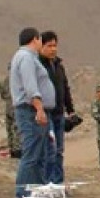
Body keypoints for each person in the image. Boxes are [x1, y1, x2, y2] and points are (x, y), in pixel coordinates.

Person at [10, 27, 56, 198]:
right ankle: (22, 194)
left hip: (33, 111)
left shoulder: (28, 58)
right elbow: (30, 86)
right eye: (40, 40)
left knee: (39, 154)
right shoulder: (26, 58)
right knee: (31, 153)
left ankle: (35, 193)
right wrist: (39, 108)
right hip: (30, 111)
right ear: (35, 40)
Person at [39, 31, 75, 184]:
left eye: (55, 45)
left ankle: (58, 183)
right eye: (49, 46)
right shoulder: (39, 66)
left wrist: (70, 108)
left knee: (59, 151)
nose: (53, 49)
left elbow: (65, 88)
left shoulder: (59, 66)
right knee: (50, 150)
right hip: (46, 113)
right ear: (41, 47)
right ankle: (48, 183)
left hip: (59, 114)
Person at [0, 73, 21, 158]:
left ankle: (12, 149)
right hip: (16, 105)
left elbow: (2, 95)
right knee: (16, 128)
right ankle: (17, 150)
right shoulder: (19, 79)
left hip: (8, 105)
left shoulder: (3, 80)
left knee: (10, 127)